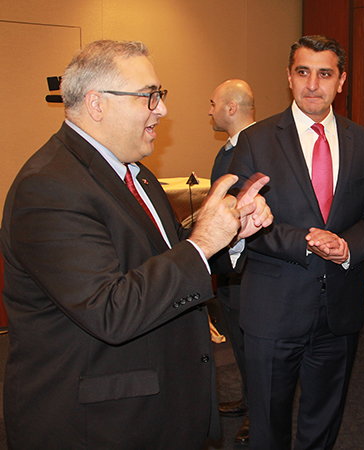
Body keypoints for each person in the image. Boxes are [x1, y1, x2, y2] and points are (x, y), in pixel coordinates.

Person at [0, 40, 272, 449]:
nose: (162, 109)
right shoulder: (49, 187)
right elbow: (110, 310)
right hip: (100, 424)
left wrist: (230, 235)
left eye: (159, 95)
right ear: (97, 104)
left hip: (160, 403)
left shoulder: (135, 173)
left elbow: (165, 256)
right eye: (149, 96)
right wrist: (201, 243)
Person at [228, 35, 364, 450]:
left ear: (341, 81)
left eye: (325, 73)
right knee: (268, 426)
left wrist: (347, 246)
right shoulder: (256, 140)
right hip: (273, 309)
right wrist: (306, 240)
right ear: (289, 77)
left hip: (338, 311)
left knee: (324, 422)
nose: (313, 84)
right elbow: (242, 217)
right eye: (303, 72)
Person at [208, 78, 256, 445]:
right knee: (238, 342)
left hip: (252, 266)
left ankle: (261, 413)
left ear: (230, 108)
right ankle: (249, 398)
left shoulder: (265, 145)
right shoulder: (227, 150)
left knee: (255, 343)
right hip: (227, 266)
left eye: (213, 104)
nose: (209, 111)